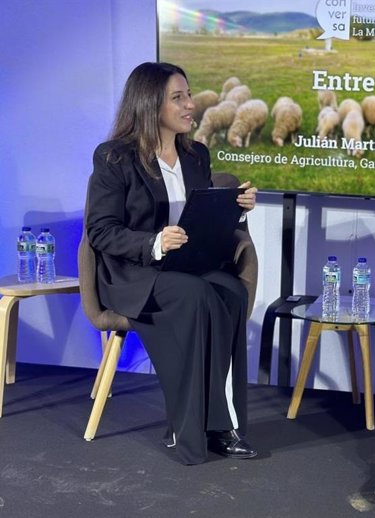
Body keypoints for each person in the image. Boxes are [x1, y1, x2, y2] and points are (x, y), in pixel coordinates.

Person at [86, 62, 259, 465]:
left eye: (189, 95)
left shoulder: (196, 153)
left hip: (186, 265)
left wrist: (238, 209)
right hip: (133, 272)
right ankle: (195, 428)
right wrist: (154, 242)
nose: (190, 105)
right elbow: (100, 231)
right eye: (178, 98)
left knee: (231, 291)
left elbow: (202, 217)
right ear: (149, 104)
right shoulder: (114, 158)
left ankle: (222, 424)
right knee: (197, 295)